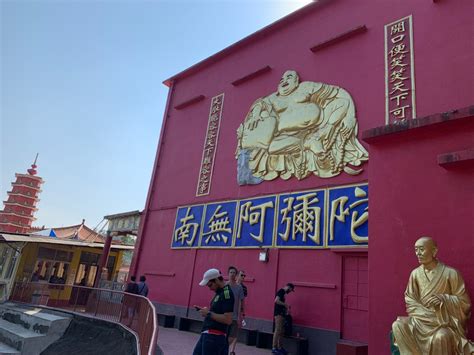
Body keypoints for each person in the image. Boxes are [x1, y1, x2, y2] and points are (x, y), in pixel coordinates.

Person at [236, 70, 368, 181]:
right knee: (270, 148)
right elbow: (260, 104)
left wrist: (350, 117)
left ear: (296, 81)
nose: (283, 80)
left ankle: (321, 135)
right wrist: (256, 115)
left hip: (321, 125)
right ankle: (308, 144)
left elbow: (340, 93)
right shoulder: (273, 98)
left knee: (342, 103)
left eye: (289, 77)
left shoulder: (307, 87)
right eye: (281, 79)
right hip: (285, 137)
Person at [392, 237, 474, 355]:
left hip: (442, 322)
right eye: (416, 250)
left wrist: (444, 299)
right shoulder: (415, 274)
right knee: (398, 325)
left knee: (441, 337)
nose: (418, 253)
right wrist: (426, 315)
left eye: (421, 249)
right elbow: (410, 299)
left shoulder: (451, 273)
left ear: (434, 251)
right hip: (421, 320)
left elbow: (465, 303)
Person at [193, 268, 234, 355]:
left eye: (210, 285)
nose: (210, 288)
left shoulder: (226, 294)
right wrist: (206, 311)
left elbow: (228, 319)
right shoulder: (220, 292)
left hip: (214, 336)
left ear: (216, 280)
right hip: (209, 335)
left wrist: (208, 313)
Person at [227, 266, 245, 355]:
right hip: (225, 315)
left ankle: (226, 349)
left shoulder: (239, 288)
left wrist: (239, 316)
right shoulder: (225, 286)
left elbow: (241, 302)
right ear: (228, 274)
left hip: (234, 316)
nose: (232, 274)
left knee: (232, 336)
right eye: (231, 272)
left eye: (234, 273)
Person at [272, 283, 295, 355]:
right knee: (278, 330)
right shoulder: (281, 291)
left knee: (282, 331)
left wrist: (286, 309)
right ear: (288, 287)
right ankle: (274, 348)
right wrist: (286, 305)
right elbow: (276, 301)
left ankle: (280, 347)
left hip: (282, 314)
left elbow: (280, 303)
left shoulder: (284, 293)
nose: (290, 292)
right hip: (278, 314)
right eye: (290, 290)